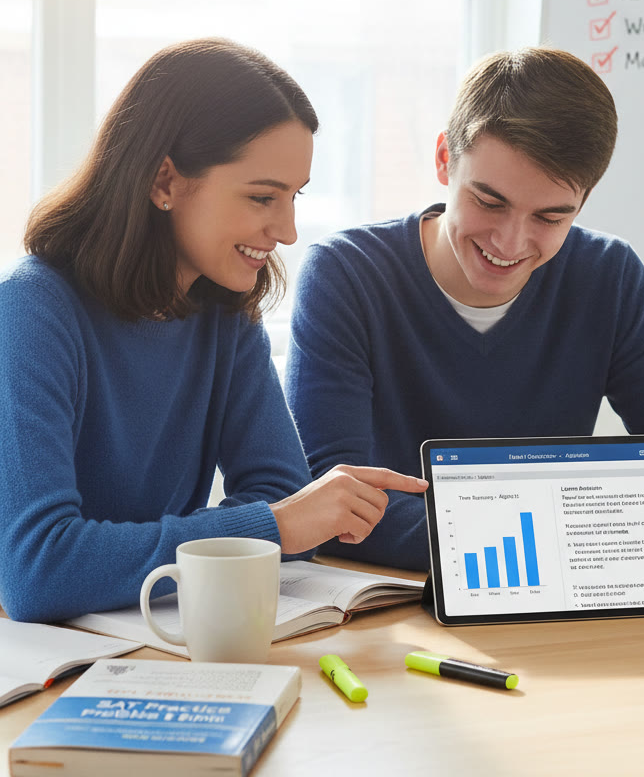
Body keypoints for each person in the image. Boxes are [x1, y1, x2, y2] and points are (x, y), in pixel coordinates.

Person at [0, 37, 426, 624]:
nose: (288, 230)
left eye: (294, 197)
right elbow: (39, 570)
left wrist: (273, 522)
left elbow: (279, 494)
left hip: (153, 636)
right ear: (164, 182)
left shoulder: (225, 311)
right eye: (262, 197)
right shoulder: (32, 309)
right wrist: (267, 527)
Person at [286, 46, 644, 576]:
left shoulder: (609, 276)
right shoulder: (346, 274)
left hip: (558, 603)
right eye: (489, 202)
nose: (510, 242)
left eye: (551, 217)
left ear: (584, 202)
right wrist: (566, 540)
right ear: (444, 159)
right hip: (397, 610)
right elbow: (325, 496)